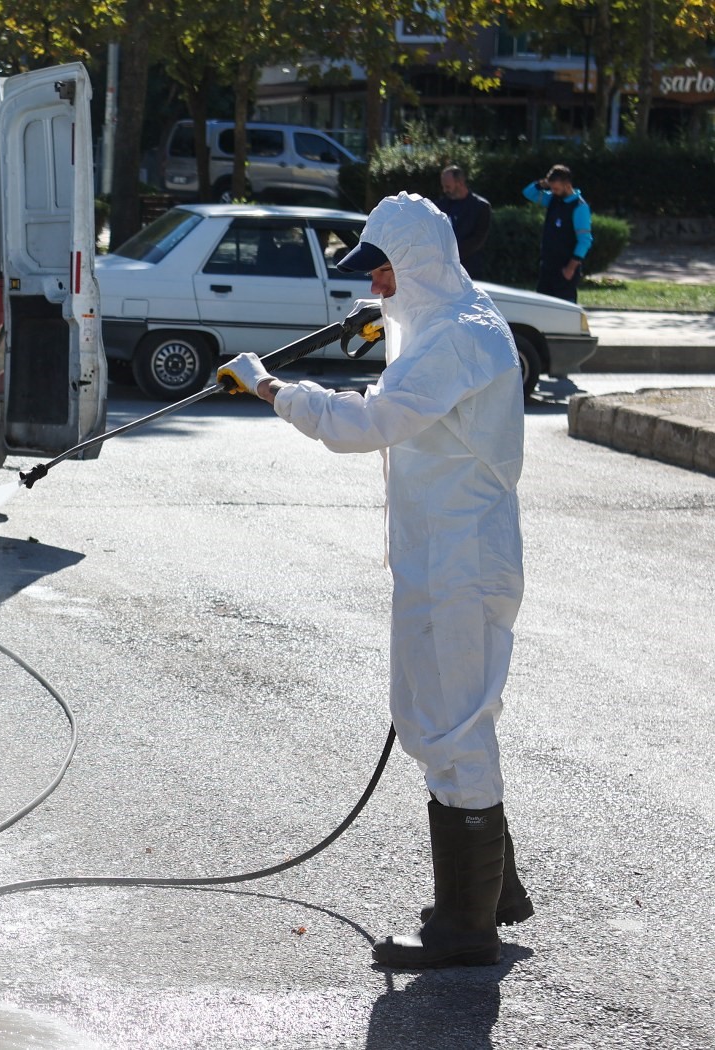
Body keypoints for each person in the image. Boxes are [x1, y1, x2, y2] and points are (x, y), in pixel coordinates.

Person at [216, 192, 532, 969]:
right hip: (450, 553)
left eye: (382, 275)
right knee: (450, 720)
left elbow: (364, 427)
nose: (374, 289)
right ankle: (495, 893)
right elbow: (420, 362)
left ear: (419, 265)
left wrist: (270, 388)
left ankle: (466, 932)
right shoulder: (455, 315)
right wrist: (383, 327)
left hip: (458, 562)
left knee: (450, 729)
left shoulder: (452, 338)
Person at [523, 164, 593, 302]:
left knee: (564, 309)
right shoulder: (553, 199)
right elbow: (528, 193)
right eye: (551, 188)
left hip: (565, 268)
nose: (553, 191)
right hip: (548, 266)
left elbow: (585, 240)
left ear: (567, 184)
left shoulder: (579, 207)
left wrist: (570, 268)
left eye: (556, 188)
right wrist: (544, 183)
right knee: (542, 306)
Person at [435, 165, 491, 279]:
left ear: (459, 183)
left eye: (448, 186)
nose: (445, 190)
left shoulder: (480, 207)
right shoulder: (440, 206)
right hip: (442, 267)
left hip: (469, 267)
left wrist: (452, 254)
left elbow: (478, 239)